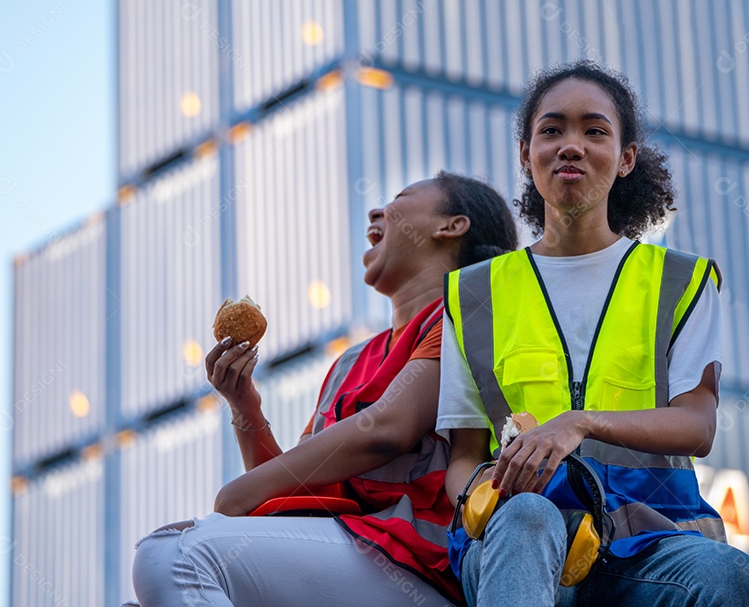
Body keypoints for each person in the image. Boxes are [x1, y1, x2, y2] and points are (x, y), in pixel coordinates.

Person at [439, 61, 749, 606]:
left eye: (594, 130)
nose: (570, 145)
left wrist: (580, 422)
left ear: (625, 159)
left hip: (650, 542)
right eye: (551, 130)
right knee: (527, 516)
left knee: (730, 576)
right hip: (519, 546)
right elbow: (462, 454)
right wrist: (482, 498)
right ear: (526, 155)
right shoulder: (471, 294)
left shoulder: (682, 281)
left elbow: (697, 424)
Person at [130, 172, 518, 607]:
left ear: (451, 226)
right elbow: (293, 488)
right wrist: (245, 406)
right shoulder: (351, 361)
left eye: (400, 197)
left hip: (419, 565)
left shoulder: (462, 317)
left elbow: (388, 428)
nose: (375, 211)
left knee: (173, 556)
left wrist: (237, 494)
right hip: (345, 552)